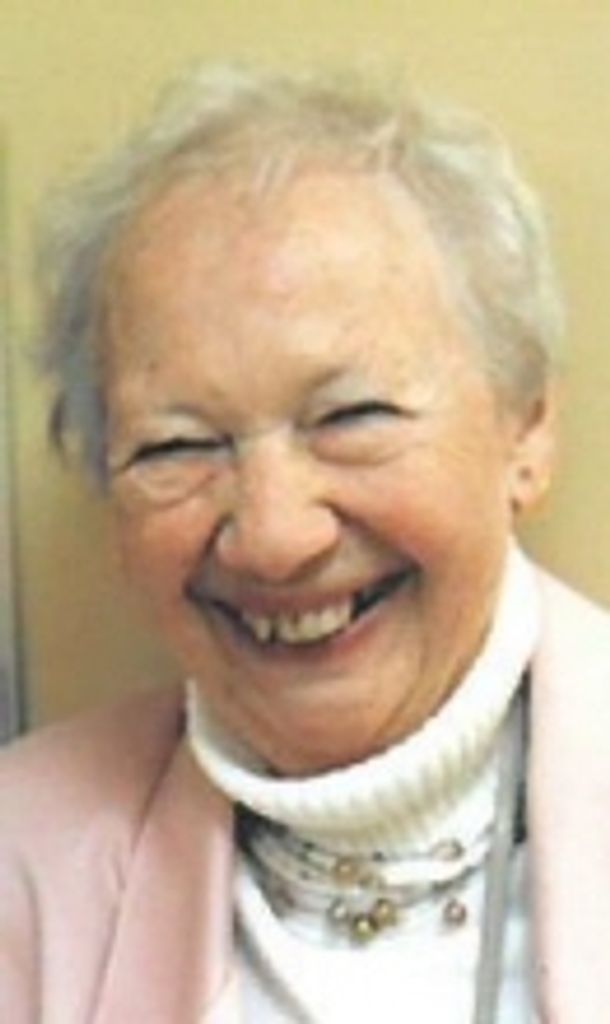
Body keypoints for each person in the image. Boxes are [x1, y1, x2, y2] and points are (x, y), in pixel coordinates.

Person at [1, 65, 609, 1024]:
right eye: (178, 447)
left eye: (351, 416)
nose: (275, 538)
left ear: (525, 430)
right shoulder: (21, 862)